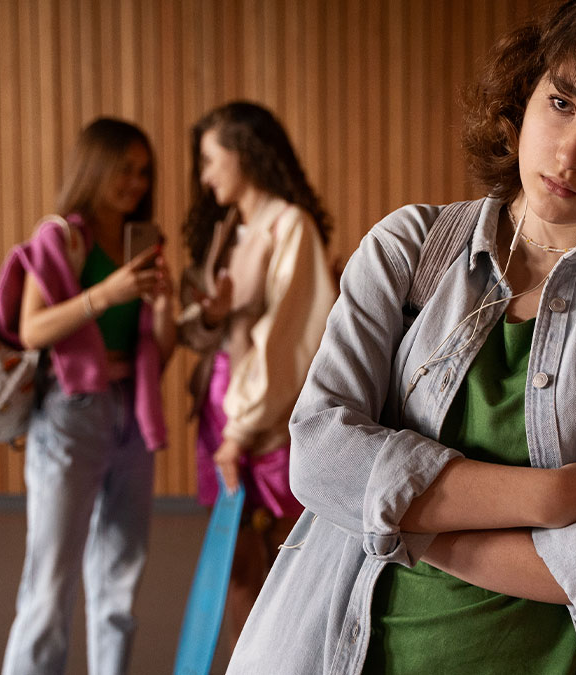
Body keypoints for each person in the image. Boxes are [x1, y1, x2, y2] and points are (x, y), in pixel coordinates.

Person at [226, 1, 576, 673]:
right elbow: (318, 456)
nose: (572, 152)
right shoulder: (410, 248)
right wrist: (545, 498)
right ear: (526, 92)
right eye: (563, 102)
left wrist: (403, 526)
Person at [0, 117, 177, 675]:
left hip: (130, 413)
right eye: (124, 168)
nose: (135, 182)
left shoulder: (141, 242)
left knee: (120, 583)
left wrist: (166, 306)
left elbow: (160, 350)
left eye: (143, 172)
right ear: (94, 166)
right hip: (70, 414)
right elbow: (31, 330)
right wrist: (107, 293)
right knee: (50, 585)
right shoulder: (62, 238)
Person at [177, 101, 339, 647]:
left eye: (210, 159)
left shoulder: (288, 226)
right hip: (225, 405)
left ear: (244, 154)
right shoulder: (232, 230)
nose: (204, 176)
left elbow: (288, 338)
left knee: (288, 564)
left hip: (268, 416)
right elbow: (207, 330)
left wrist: (242, 428)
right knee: (237, 562)